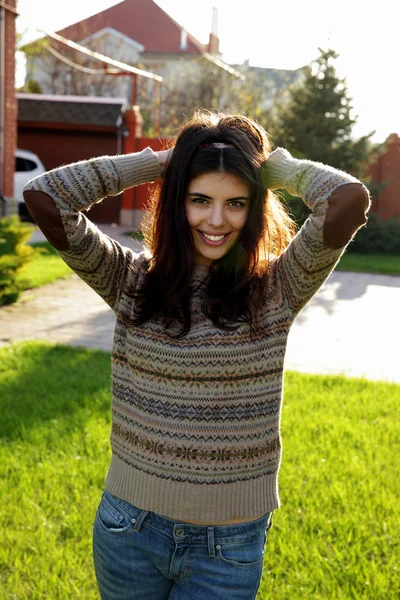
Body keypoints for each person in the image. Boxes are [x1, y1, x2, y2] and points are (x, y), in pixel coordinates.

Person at [23, 111, 370, 600]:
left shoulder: (278, 287)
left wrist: (277, 168)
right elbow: (45, 196)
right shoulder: (129, 279)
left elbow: (348, 201)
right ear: (176, 202)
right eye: (199, 199)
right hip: (129, 528)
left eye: (235, 203)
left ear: (254, 210)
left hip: (227, 543)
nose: (215, 219)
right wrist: (165, 162)